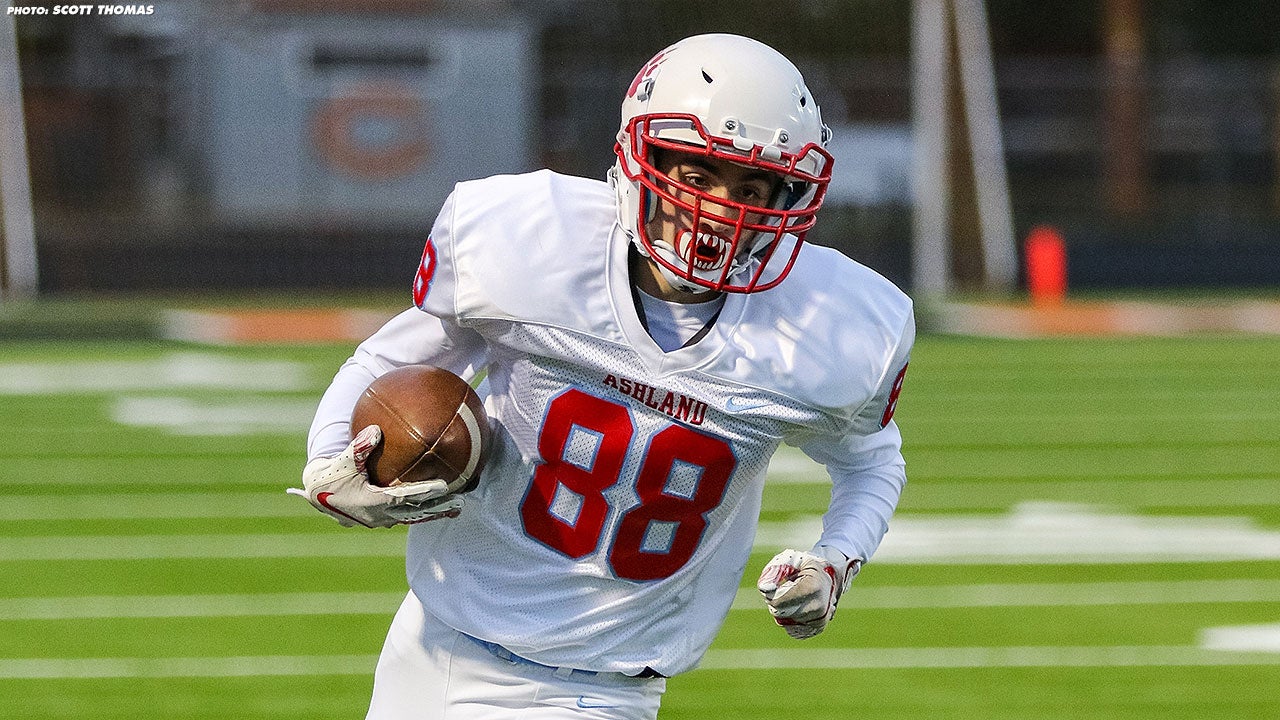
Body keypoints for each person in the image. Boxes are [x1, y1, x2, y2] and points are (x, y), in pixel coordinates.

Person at [291, 32, 914, 720]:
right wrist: (328, 461)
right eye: (697, 176)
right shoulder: (536, 246)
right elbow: (389, 359)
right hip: (433, 647)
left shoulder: (824, 326)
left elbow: (871, 462)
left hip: (598, 688)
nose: (719, 210)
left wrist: (836, 560)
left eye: (751, 186)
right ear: (638, 158)